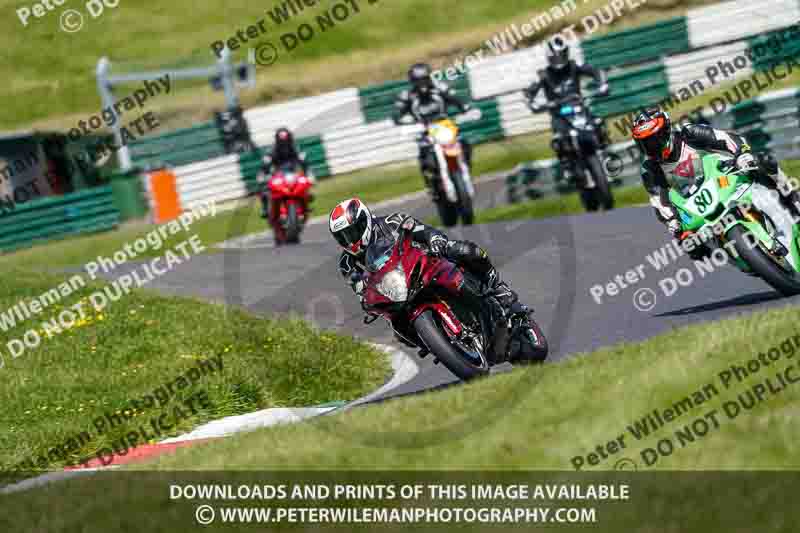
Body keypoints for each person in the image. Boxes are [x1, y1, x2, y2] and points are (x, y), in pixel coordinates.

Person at [631, 106, 796, 259]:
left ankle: (792, 199)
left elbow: (728, 139)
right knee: (691, 247)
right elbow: (660, 201)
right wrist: (674, 224)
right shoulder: (650, 169)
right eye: (644, 144)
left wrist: (741, 154)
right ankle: (742, 255)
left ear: (665, 131)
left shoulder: (690, 133)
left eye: (653, 140)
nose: (651, 147)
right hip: (697, 205)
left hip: (731, 175)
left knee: (765, 161)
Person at [329, 197, 525, 317]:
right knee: (398, 329)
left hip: (423, 263)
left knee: (464, 251)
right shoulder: (347, 264)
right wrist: (369, 303)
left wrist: (436, 240)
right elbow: (361, 292)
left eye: (352, 232)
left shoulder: (392, 221)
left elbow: (422, 230)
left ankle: (498, 288)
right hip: (396, 290)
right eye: (343, 237)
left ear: (365, 220)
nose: (349, 240)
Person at [524, 39, 610, 180]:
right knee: (557, 139)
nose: (560, 59)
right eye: (557, 55)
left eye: (562, 54)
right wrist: (531, 102)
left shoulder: (574, 66)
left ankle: (605, 152)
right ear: (550, 56)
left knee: (598, 122)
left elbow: (595, 71)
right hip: (558, 114)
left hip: (579, 107)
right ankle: (566, 166)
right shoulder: (543, 74)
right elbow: (529, 91)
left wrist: (602, 84)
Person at [393, 63, 473, 197]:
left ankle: (465, 169)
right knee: (424, 156)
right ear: (412, 82)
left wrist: (466, 108)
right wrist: (402, 120)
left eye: (424, 79)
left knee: (465, 144)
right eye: (418, 81)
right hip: (424, 131)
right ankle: (431, 185)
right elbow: (397, 112)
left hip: (445, 126)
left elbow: (457, 98)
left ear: (429, 78)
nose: (422, 83)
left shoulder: (440, 88)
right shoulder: (407, 96)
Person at [257, 128, 311, 219]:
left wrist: (306, 173)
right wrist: (264, 173)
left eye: (286, 140)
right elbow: (265, 163)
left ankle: (305, 204)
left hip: (293, 173)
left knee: (305, 184)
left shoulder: (295, 148)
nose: (284, 143)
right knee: (264, 188)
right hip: (278, 174)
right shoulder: (271, 150)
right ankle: (265, 208)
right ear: (277, 140)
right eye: (282, 141)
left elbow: (303, 161)